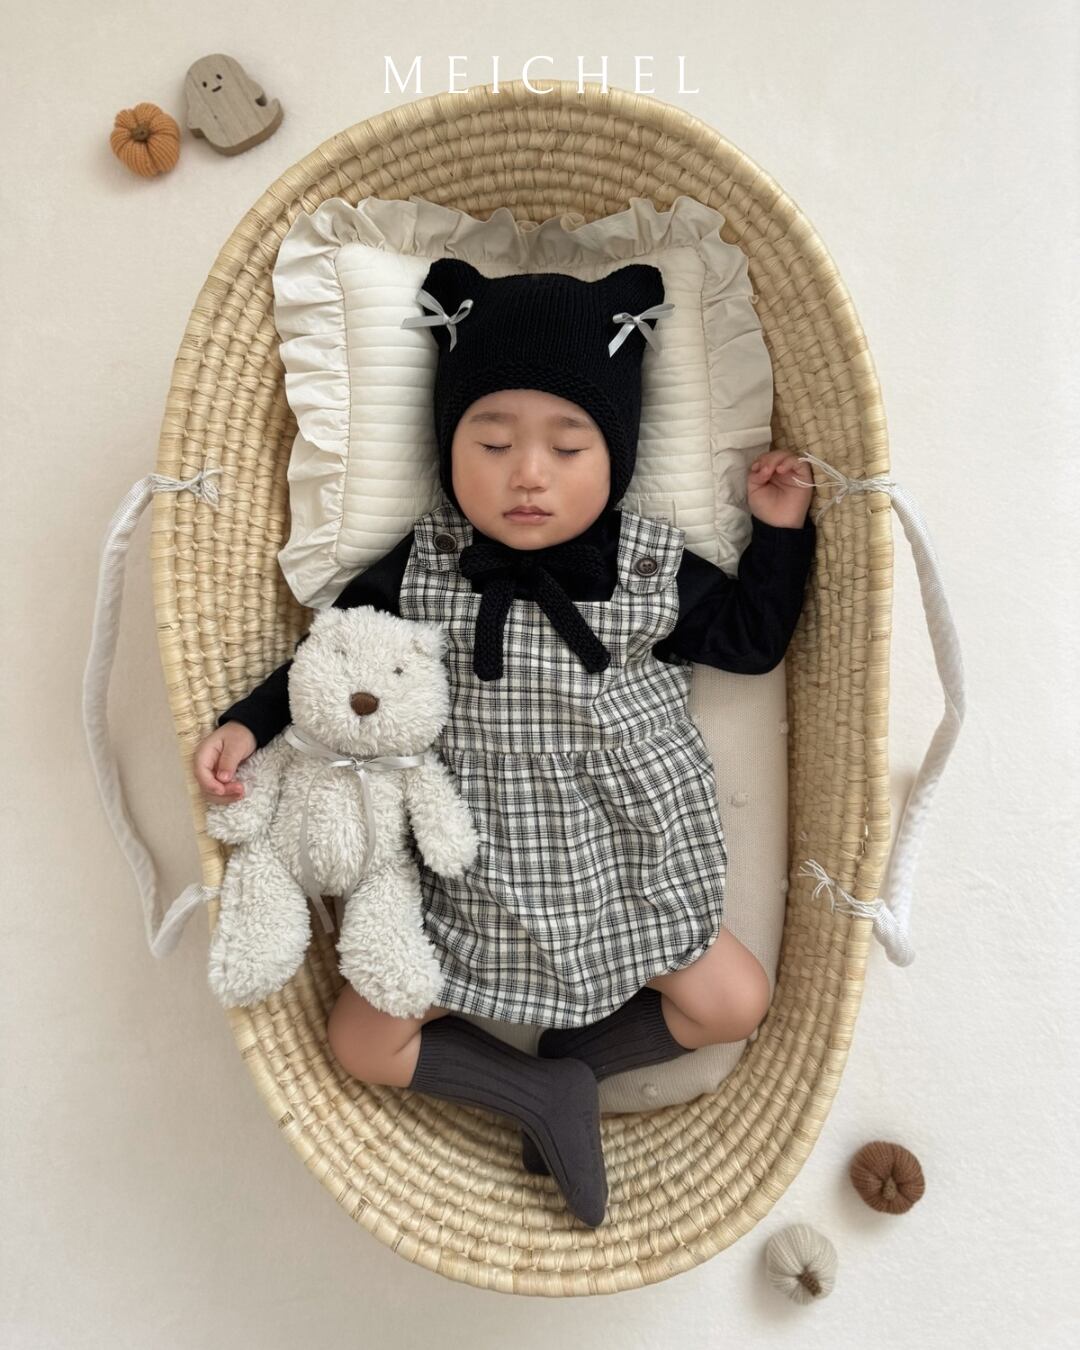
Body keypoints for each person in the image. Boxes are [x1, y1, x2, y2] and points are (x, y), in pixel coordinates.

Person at [191, 259, 816, 1228]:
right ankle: (537, 1092)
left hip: (625, 865)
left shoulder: (649, 565)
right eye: (491, 442)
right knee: (362, 1043)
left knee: (735, 1000)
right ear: (449, 447)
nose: (528, 473)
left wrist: (778, 533)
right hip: (465, 873)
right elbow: (338, 659)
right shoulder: (424, 563)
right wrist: (249, 721)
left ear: (616, 455)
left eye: (568, 446)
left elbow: (751, 641)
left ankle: (574, 1064)